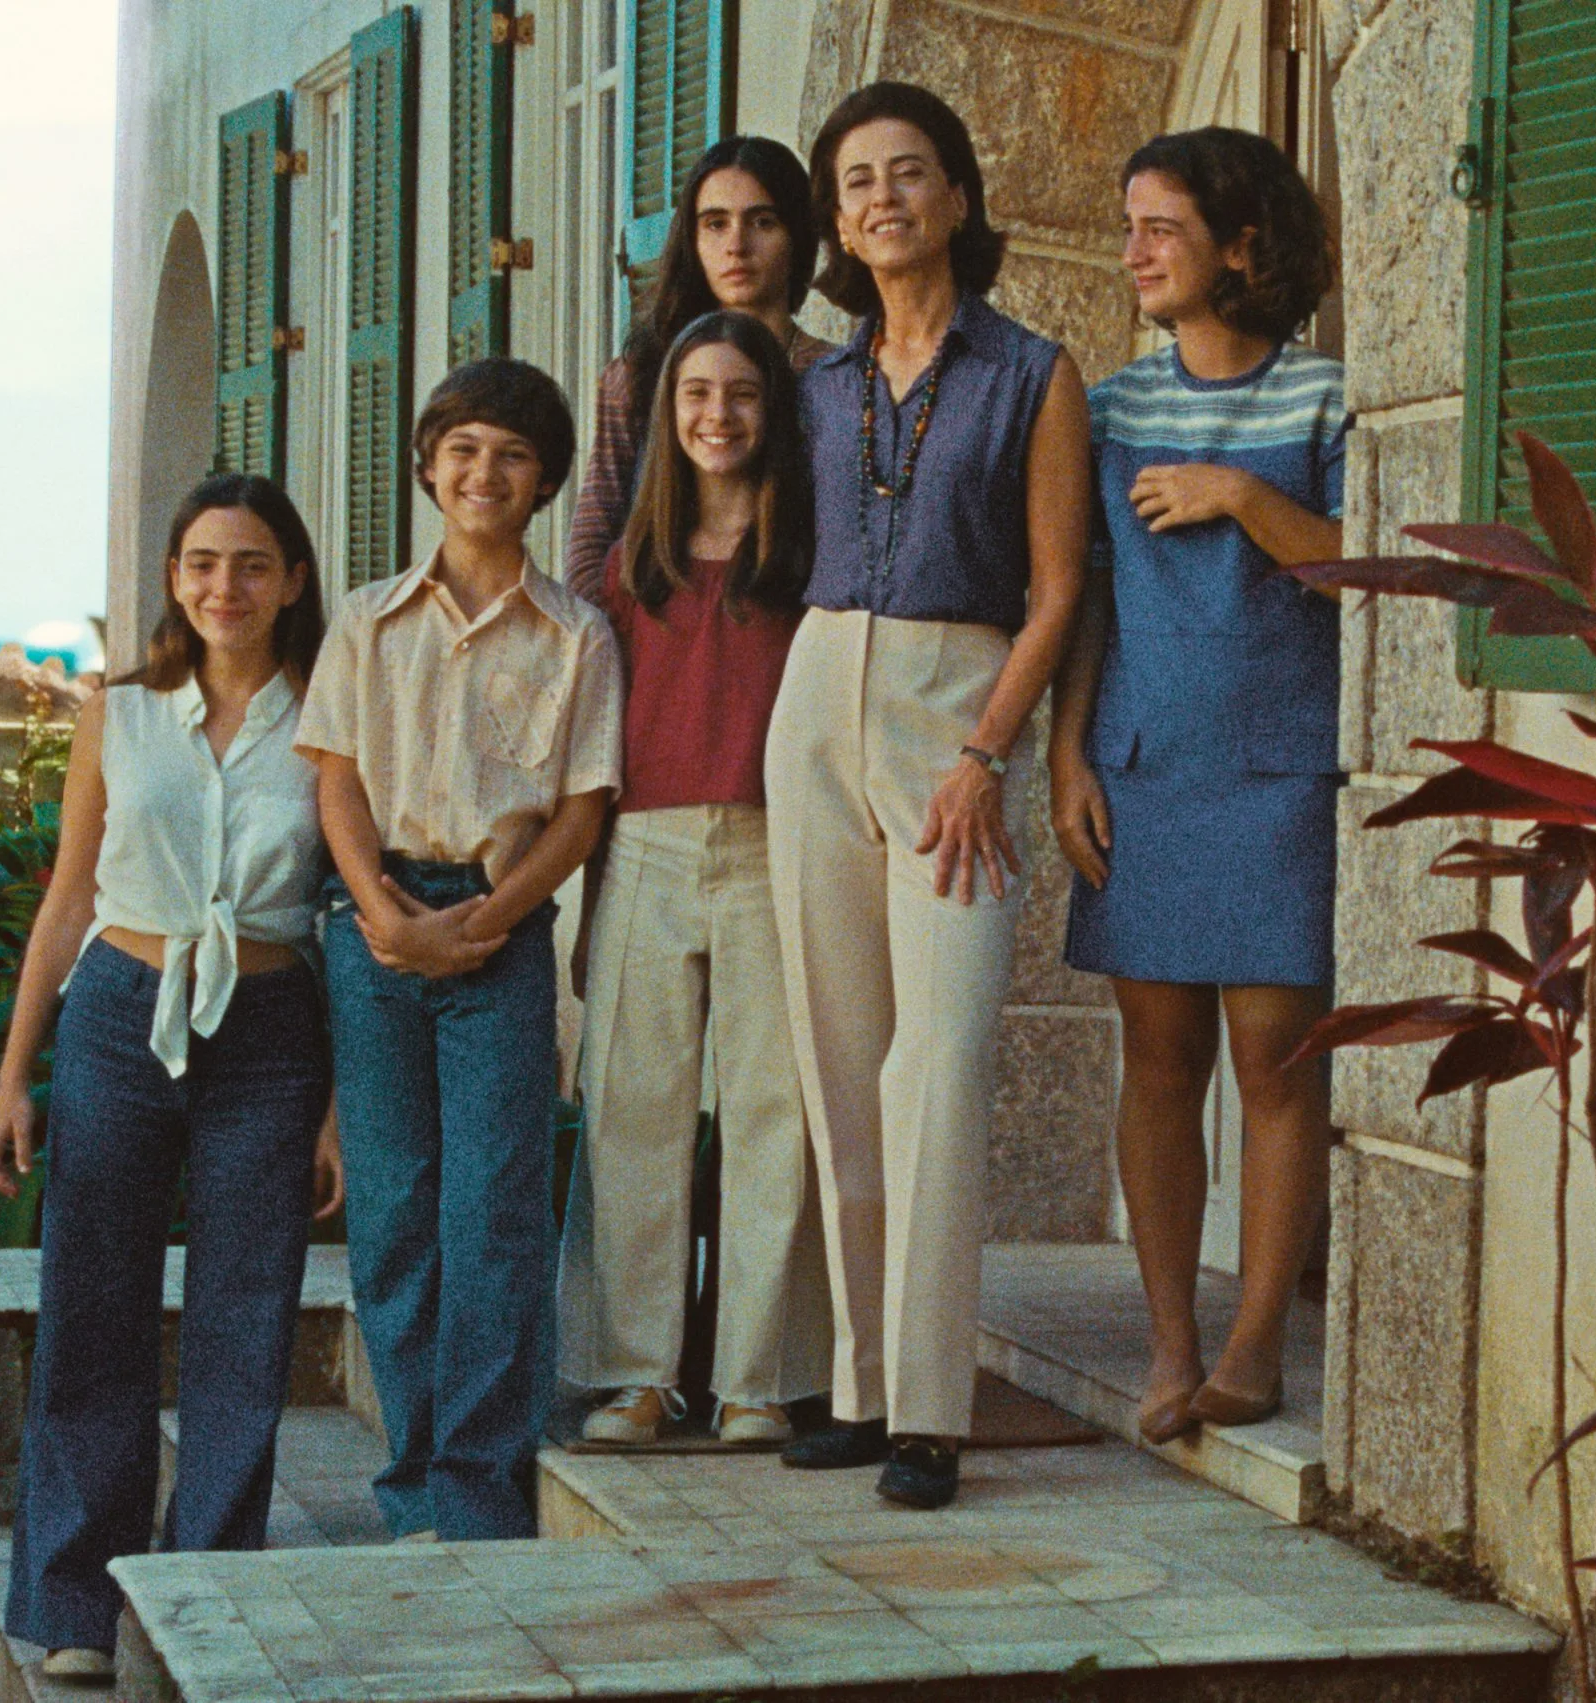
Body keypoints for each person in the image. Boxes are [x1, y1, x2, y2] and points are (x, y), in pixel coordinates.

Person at [766, 82, 1089, 1511]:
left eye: (910, 173)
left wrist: (987, 754)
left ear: (959, 195)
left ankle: (936, 1408)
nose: (882, 197)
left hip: (954, 709)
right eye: (856, 181)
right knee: (841, 1058)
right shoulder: (817, 387)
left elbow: (1063, 585)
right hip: (817, 689)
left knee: (941, 1058)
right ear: (838, 221)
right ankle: (862, 1383)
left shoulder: (1035, 371)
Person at [0, 473, 341, 1684]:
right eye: (199, 563)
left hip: (273, 1021)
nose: (221, 587)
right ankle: (77, 1603)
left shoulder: (332, 713)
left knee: (247, 1314)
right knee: (95, 1306)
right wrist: (14, 1076)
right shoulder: (118, 713)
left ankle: (203, 1593)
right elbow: (68, 893)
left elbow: (344, 912)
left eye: (248, 563)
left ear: (292, 578)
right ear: (174, 579)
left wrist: (338, 1102)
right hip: (121, 1012)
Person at [1050, 126, 1346, 1446]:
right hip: (1142, 768)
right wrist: (1065, 755)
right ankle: (1173, 1344)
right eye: (1129, 226)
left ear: (1242, 243)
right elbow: (1082, 596)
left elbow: (1364, 570)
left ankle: (1255, 1345)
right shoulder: (1107, 408)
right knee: (1158, 1060)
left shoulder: (1324, 400)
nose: (1134, 252)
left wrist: (1241, 495)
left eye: (1160, 226)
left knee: (1275, 1061)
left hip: (1279, 770)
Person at [296, 358, 622, 1541]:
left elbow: (581, 810)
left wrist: (480, 926)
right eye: (465, 449)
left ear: (543, 483)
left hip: (502, 931)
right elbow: (336, 773)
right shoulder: (367, 620)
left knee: (493, 1212)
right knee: (392, 1213)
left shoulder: (575, 633)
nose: (486, 473)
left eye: (514, 455)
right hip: (375, 925)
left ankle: (481, 1486)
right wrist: (383, 915)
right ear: (429, 465)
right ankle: (412, 1482)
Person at [557, 311, 832, 1447]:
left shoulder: (811, 555)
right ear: (668, 416)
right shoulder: (633, 562)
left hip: (777, 843)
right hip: (648, 844)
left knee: (776, 1107)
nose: (718, 416)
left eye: (742, 395)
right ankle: (636, 1373)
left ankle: (757, 1374)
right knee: (635, 1107)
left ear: (775, 413)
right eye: (696, 396)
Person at [564, 135, 834, 600]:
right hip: (656, 635)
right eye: (715, 224)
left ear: (797, 236)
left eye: (762, 222)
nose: (736, 245)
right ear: (690, 238)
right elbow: (592, 543)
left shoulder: (836, 378)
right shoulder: (637, 377)